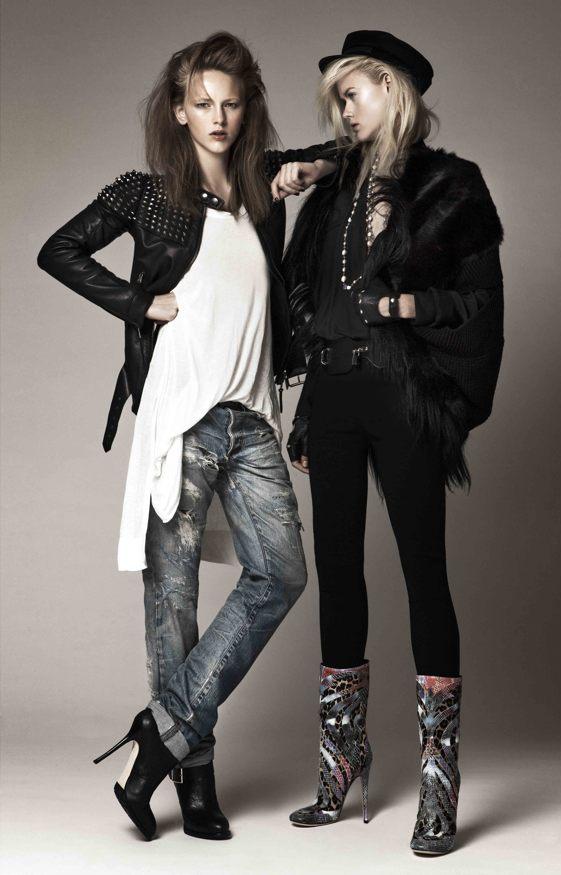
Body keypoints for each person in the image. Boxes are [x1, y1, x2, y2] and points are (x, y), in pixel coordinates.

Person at [37, 32, 337, 842]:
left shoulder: (262, 191)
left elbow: (338, 154)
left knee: (281, 572)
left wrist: (308, 168)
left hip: (252, 418)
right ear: (177, 109)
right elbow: (58, 249)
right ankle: (194, 779)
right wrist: (140, 303)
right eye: (202, 102)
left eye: (231, 103)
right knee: (173, 602)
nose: (218, 116)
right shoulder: (148, 194)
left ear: (247, 110)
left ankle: (159, 731)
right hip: (182, 418)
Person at [274, 30, 504, 855]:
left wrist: (403, 307)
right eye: (337, 97)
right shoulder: (331, 188)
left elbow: (475, 305)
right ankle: (343, 759)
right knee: (338, 571)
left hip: (402, 397)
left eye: (353, 92)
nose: (343, 108)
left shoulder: (450, 187)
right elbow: (316, 310)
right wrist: (307, 412)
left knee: (422, 572)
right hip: (335, 394)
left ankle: (438, 782)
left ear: (393, 88)